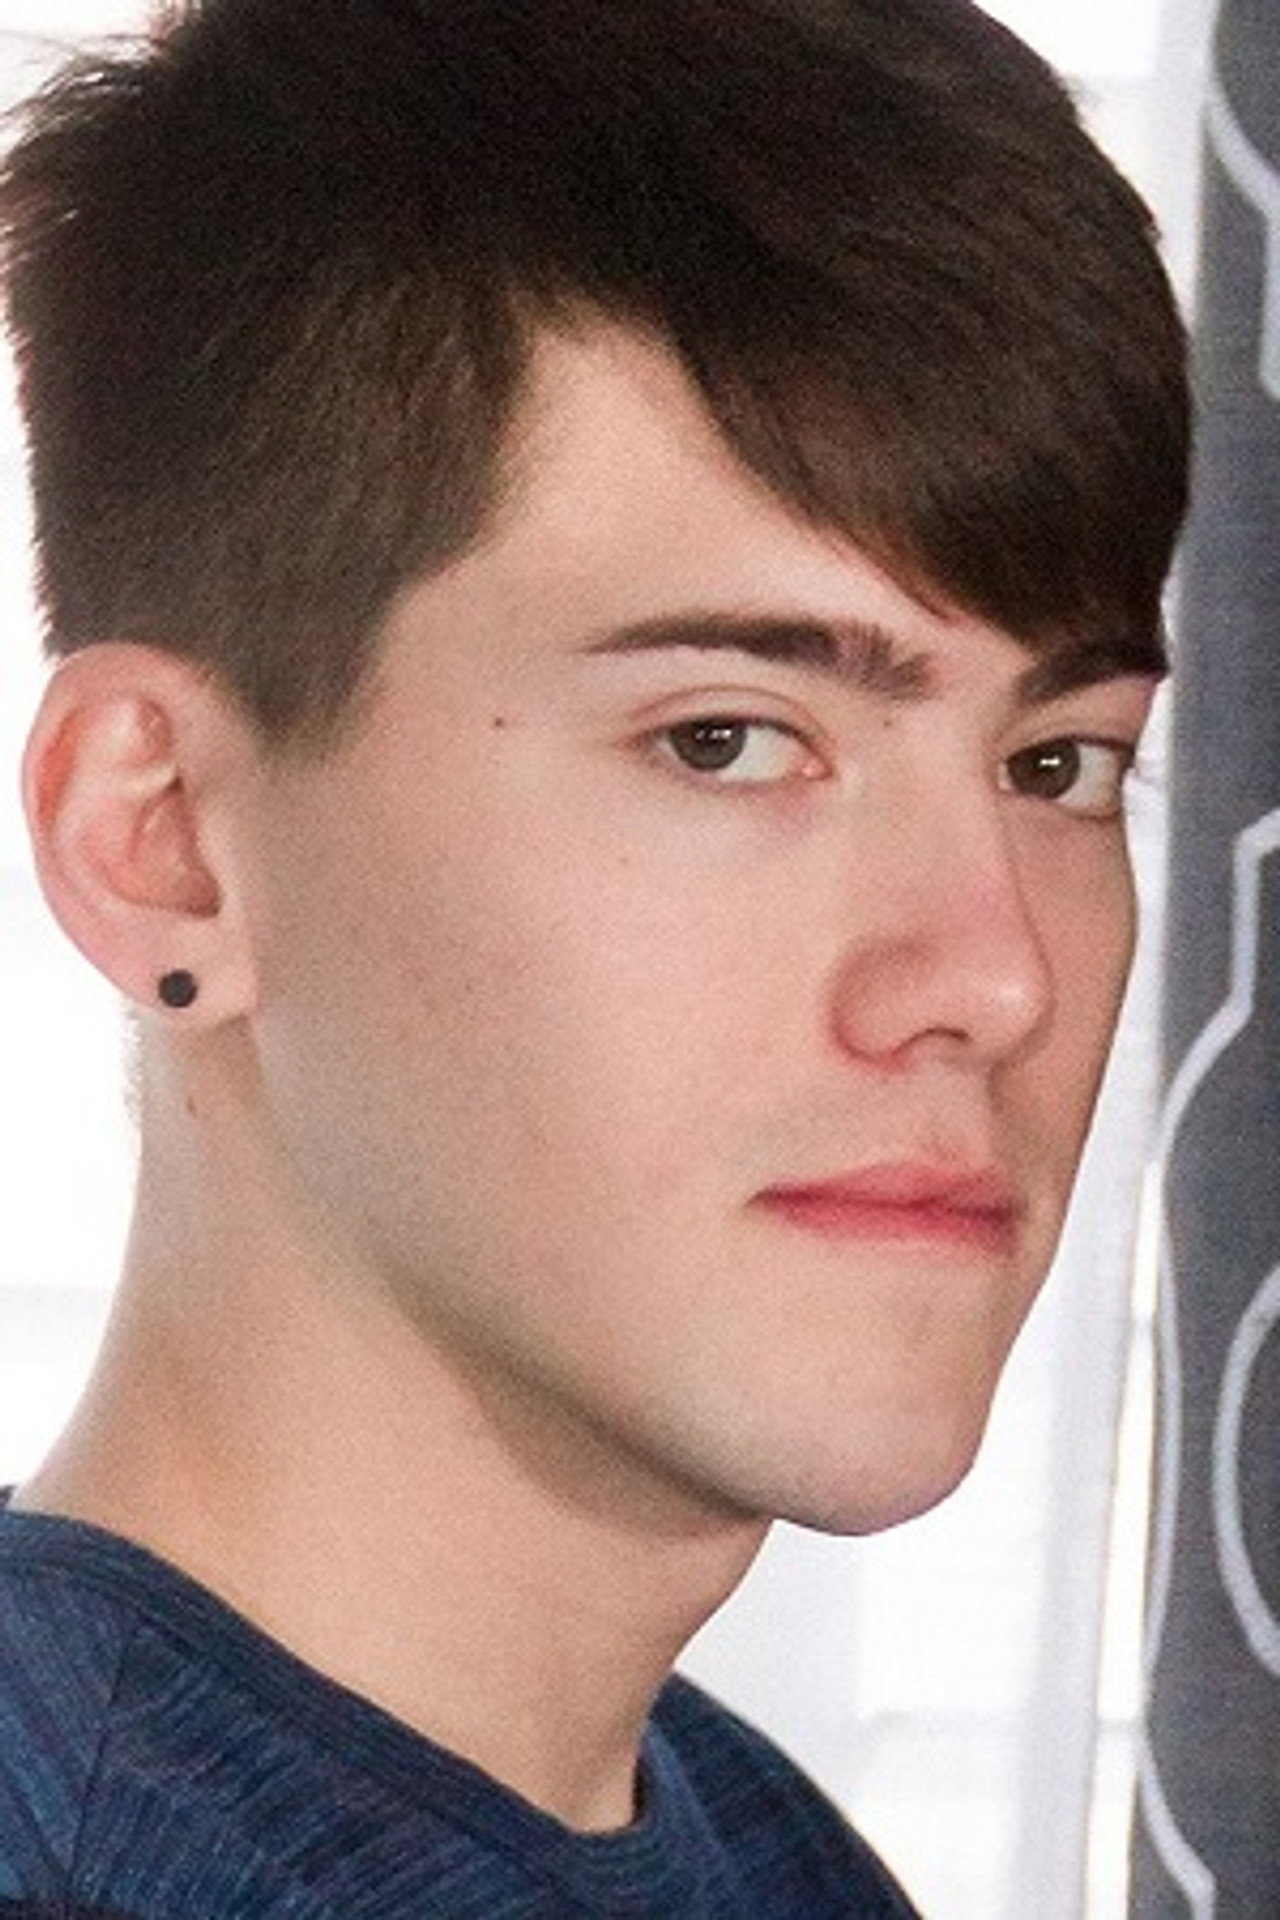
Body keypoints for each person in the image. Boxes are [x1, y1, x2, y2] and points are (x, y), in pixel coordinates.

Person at [0, 0, 1188, 1912]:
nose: (994, 979)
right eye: (726, 740)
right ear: (164, 836)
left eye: (1057, 764)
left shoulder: (770, 1855)